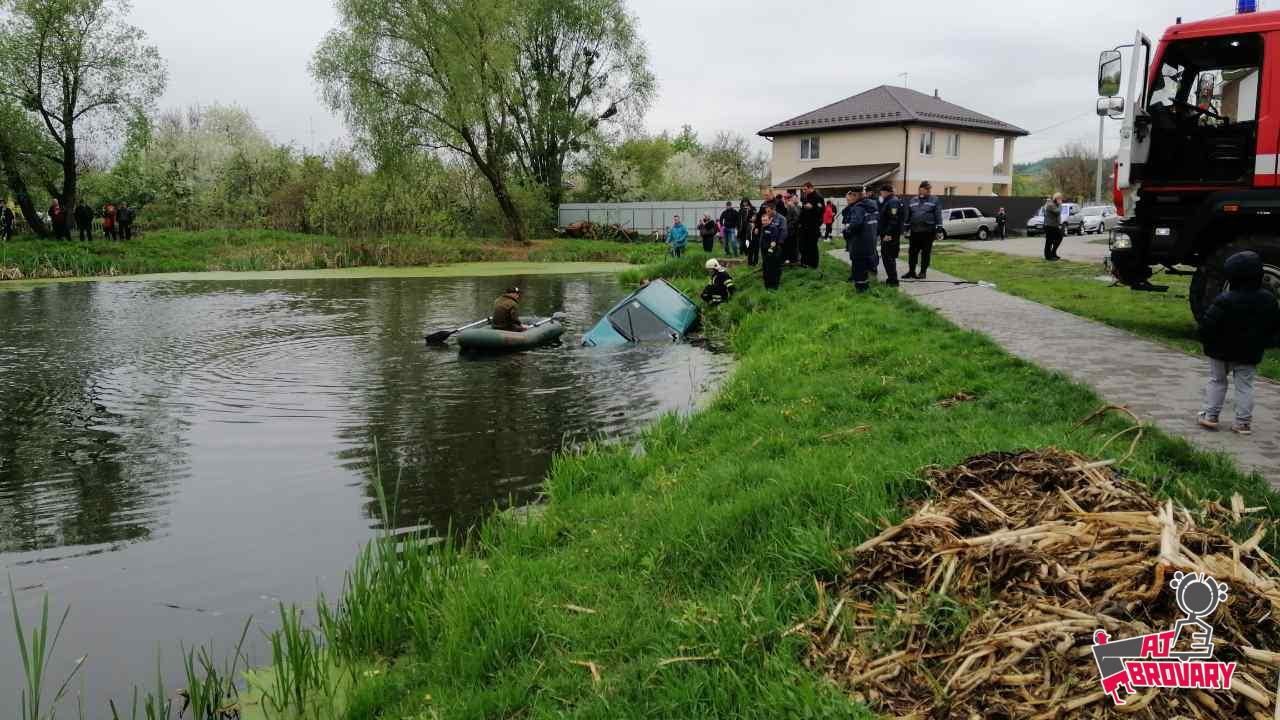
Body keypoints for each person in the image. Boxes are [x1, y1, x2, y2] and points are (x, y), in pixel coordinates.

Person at [1196, 251, 1280, 436]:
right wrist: (1269, 342)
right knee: (1245, 386)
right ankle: (1242, 423)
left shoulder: (1225, 300)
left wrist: (1203, 338)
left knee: (1217, 381)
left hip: (1219, 351)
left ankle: (1210, 416)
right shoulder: (1268, 300)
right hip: (1249, 353)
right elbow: (1274, 326)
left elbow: (1208, 325)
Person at [903, 181, 943, 280]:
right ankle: (911, 272)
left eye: (929, 189)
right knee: (912, 252)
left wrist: (939, 230)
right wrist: (906, 229)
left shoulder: (935, 200)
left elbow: (938, 215)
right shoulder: (913, 200)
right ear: (920, 189)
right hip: (915, 231)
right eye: (927, 189)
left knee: (925, 253)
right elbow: (909, 216)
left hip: (928, 232)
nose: (929, 191)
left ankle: (923, 272)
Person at [842, 187, 879, 293]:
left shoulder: (858, 207)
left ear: (856, 195)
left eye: (851, 195)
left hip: (859, 242)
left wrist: (846, 231)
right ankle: (865, 287)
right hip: (870, 240)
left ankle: (861, 291)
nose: (849, 198)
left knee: (858, 267)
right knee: (865, 268)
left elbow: (856, 224)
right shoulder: (872, 204)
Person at [878, 184, 904, 287]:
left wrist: (888, 233)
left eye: (881, 192)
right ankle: (891, 279)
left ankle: (893, 281)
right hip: (887, 234)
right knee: (887, 257)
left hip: (890, 235)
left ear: (886, 192)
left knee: (888, 257)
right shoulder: (888, 201)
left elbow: (894, 219)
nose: (881, 194)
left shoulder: (892, 201)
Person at [799, 182, 824, 268]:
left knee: (812, 246)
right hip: (804, 226)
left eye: (805, 189)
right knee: (803, 245)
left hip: (813, 226)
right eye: (803, 190)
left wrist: (812, 207)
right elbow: (803, 211)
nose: (804, 191)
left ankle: (813, 264)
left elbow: (821, 211)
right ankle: (805, 262)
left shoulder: (818, 197)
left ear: (811, 188)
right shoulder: (806, 198)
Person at [760, 203, 785, 290]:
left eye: (766, 220)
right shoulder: (763, 228)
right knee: (766, 270)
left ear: (770, 220)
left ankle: (774, 287)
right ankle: (767, 286)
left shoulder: (773, 228)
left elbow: (774, 242)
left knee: (773, 269)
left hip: (772, 253)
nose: (764, 222)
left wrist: (770, 251)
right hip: (764, 252)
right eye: (762, 220)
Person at [1042, 194, 1064, 261]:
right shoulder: (1050, 204)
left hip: (1055, 226)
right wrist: (1060, 204)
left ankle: (1053, 253)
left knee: (1060, 237)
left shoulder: (1055, 205)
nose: (1061, 200)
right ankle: (1048, 257)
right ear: (1056, 199)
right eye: (1059, 199)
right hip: (1049, 226)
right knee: (1049, 241)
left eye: (1061, 199)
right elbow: (1057, 212)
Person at [784, 192, 802, 264]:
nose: (787, 199)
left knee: (795, 245)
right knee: (788, 244)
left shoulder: (797, 207)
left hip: (795, 229)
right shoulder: (787, 206)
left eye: (796, 198)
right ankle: (788, 258)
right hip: (788, 229)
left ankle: (795, 259)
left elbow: (798, 217)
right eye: (785, 198)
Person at [738, 199, 755, 266]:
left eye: (746, 202)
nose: (745, 203)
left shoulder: (752, 208)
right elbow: (739, 219)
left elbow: (754, 215)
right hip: (742, 227)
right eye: (743, 202)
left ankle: (748, 251)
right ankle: (743, 251)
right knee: (742, 240)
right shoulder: (741, 210)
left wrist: (750, 210)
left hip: (749, 226)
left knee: (748, 239)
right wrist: (738, 227)